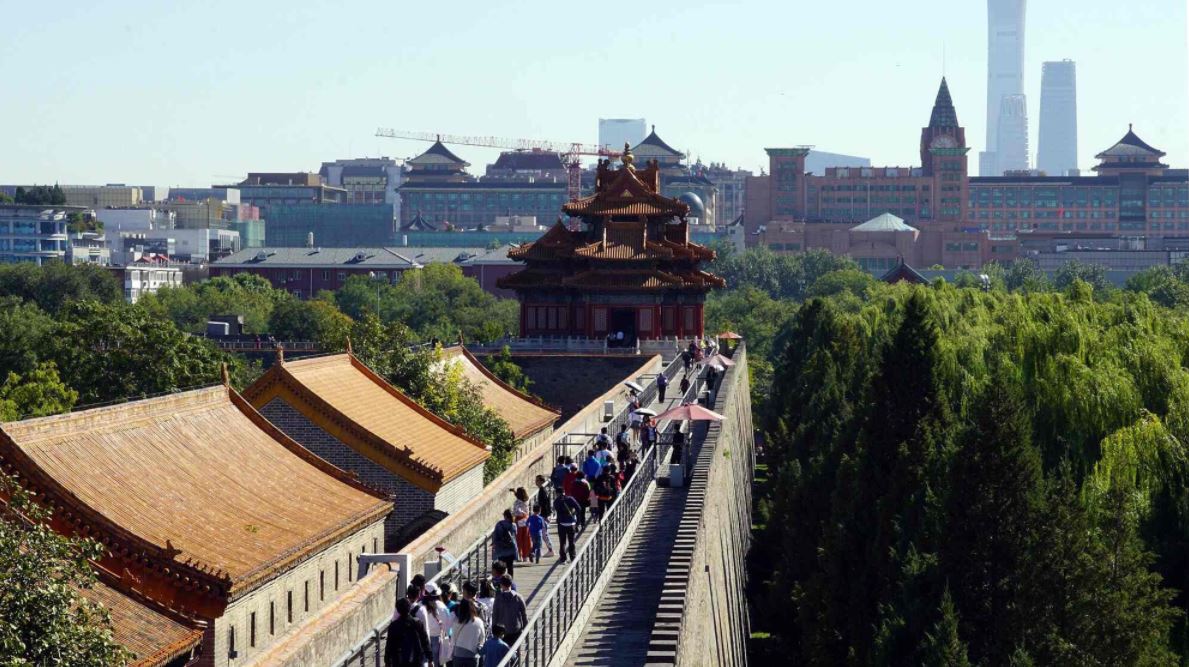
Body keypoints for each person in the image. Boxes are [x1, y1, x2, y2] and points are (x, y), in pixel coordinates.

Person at [385, 598, 432, 667]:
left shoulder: (393, 626)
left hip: (399, 661)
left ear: (398, 610)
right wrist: (430, 659)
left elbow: (389, 644)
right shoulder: (417, 623)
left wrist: (387, 661)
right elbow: (425, 641)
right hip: (415, 660)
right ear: (409, 608)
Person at [420, 582, 453, 666]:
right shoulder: (442, 606)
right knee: (436, 662)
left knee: (424, 662)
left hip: (422, 638)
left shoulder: (420, 606)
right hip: (437, 638)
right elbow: (448, 625)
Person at [491, 575, 527, 647]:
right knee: (515, 651)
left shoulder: (498, 598)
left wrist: (494, 630)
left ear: (501, 584)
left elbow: (495, 615)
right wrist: (525, 628)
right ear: (511, 584)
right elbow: (524, 614)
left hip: (502, 632)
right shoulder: (518, 597)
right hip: (516, 630)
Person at [449, 598, 486, 667]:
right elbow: (482, 639)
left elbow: (453, 638)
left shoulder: (456, 621)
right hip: (472, 655)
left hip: (457, 654)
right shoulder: (479, 622)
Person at [553, 489, 580, 562]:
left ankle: (563, 558)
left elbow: (557, 511)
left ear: (557, 493)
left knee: (562, 542)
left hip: (561, 524)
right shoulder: (570, 499)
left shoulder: (556, 501)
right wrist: (573, 514)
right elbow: (578, 508)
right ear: (564, 492)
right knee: (571, 541)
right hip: (571, 523)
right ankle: (572, 557)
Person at [492, 510, 518, 577]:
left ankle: (501, 583)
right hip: (511, 550)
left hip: (501, 551)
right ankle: (510, 583)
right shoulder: (513, 525)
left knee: (501, 569)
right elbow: (515, 536)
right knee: (510, 568)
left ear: (505, 516)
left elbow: (495, 537)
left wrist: (495, 545)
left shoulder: (499, 524)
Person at [534, 475, 555, 558]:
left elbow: (544, 504)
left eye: (537, 480)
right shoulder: (543, 490)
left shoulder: (542, 490)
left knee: (544, 534)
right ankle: (550, 550)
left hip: (544, 515)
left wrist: (545, 515)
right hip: (544, 515)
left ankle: (550, 550)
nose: (535, 482)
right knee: (544, 534)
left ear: (540, 481)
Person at [511, 488, 532, 562]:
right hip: (526, 519)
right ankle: (526, 556)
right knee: (526, 538)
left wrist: (511, 515)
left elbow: (516, 511)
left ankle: (519, 555)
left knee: (518, 538)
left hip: (519, 520)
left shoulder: (517, 502)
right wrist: (514, 492)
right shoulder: (527, 500)